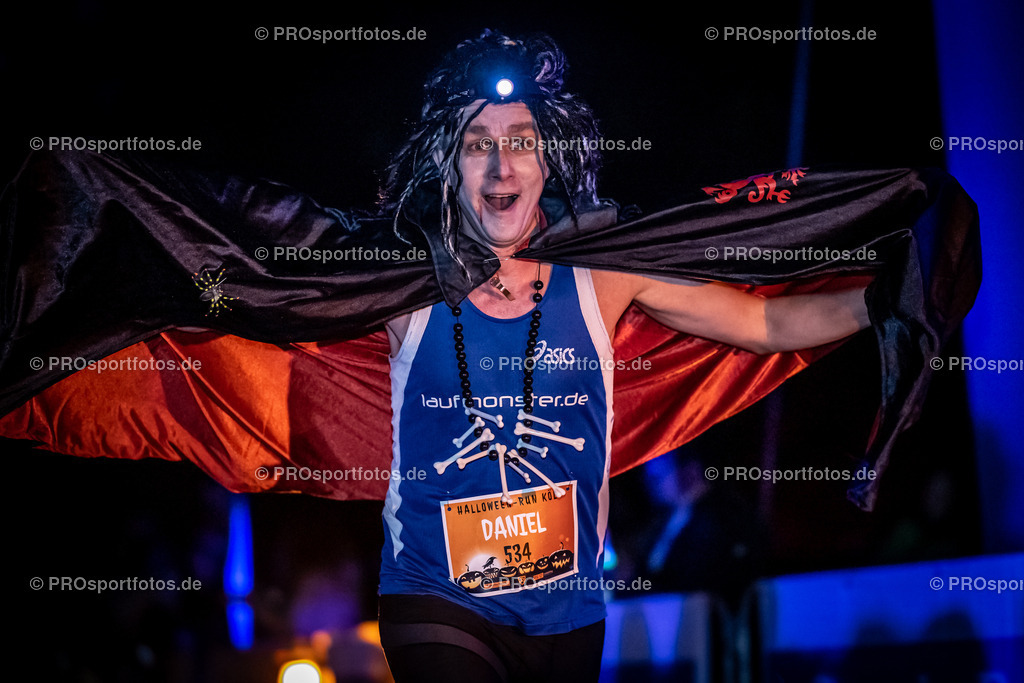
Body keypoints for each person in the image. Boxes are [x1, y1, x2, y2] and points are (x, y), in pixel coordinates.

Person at [373, 30, 870, 682]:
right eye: (477, 146)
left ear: (549, 159)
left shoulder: (602, 275)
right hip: (436, 592)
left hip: (567, 611)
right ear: (448, 163)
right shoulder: (397, 284)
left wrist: (880, 301)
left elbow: (763, 318)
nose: (501, 166)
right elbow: (264, 298)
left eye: (521, 142)